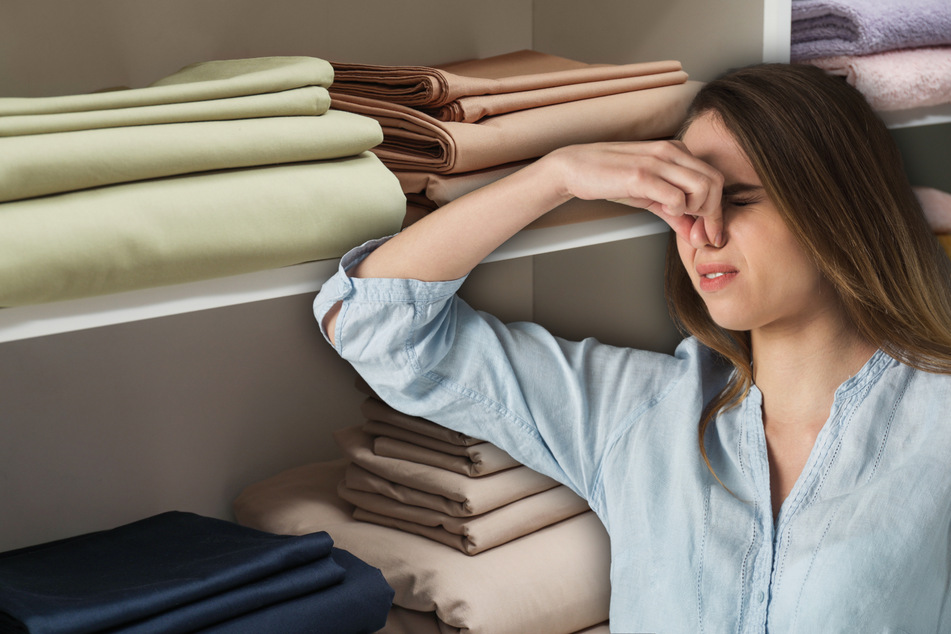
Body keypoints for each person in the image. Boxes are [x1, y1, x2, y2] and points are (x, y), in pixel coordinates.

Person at [314, 63, 951, 632]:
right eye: (684, 202)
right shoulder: (633, 412)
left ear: (839, 207)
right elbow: (372, 325)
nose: (703, 232)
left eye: (740, 198)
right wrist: (556, 176)